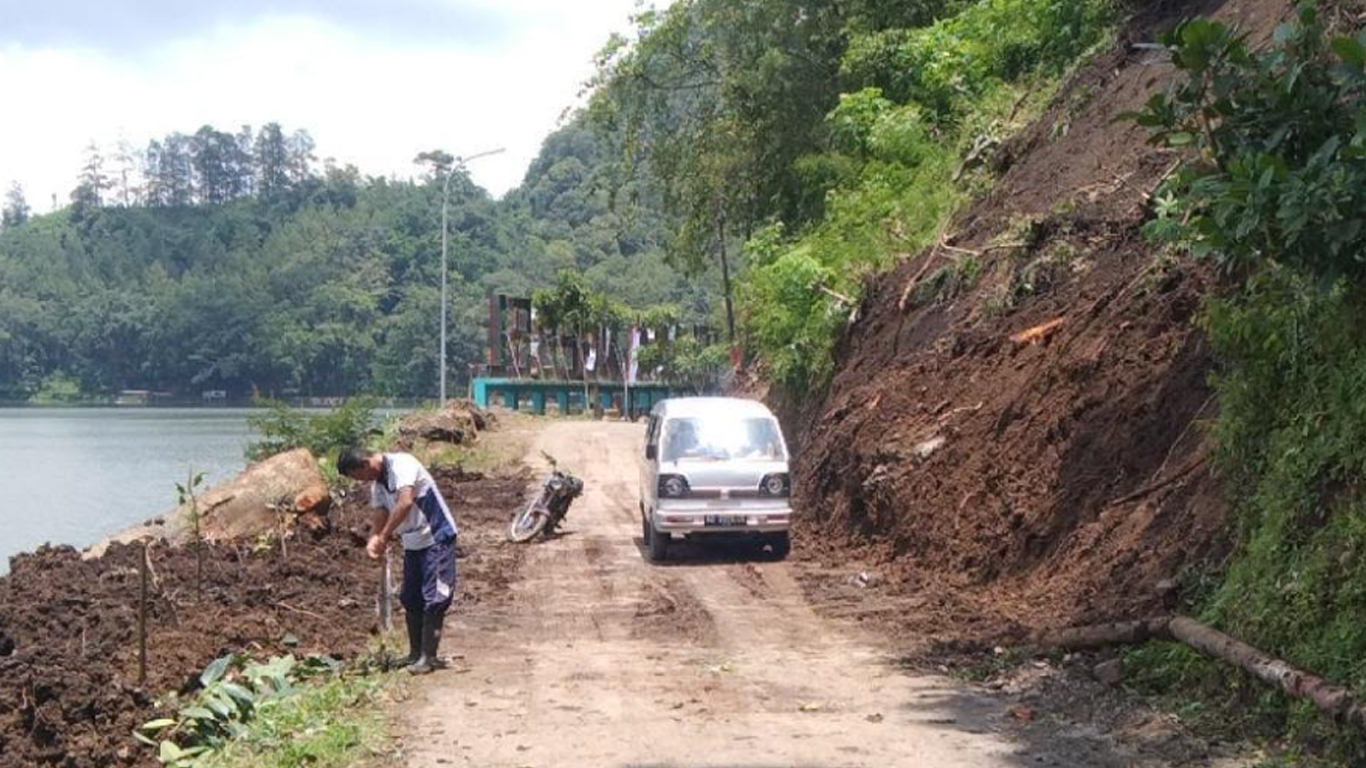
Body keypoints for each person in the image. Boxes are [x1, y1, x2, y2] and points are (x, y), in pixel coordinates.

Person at [337, 446, 458, 675]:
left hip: (436, 536)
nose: (362, 481)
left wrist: (384, 536)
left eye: (358, 476)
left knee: (435, 595)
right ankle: (414, 653)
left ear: (365, 464)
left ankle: (428, 657)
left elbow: (405, 502)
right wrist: (373, 537)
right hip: (413, 542)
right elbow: (381, 512)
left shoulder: (402, 464)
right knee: (410, 597)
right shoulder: (378, 484)